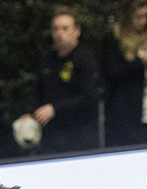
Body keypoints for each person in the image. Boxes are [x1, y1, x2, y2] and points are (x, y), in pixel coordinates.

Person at [17, 5, 100, 153]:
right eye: (55, 29)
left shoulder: (85, 59)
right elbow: (38, 91)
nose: (59, 33)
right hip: (51, 136)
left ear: (77, 31)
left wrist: (55, 109)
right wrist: (29, 112)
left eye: (65, 28)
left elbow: (89, 97)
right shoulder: (47, 60)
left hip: (80, 136)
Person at [103, 0, 147, 147]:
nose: (143, 21)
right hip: (126, 106)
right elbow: (111, 71)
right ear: (128, 17)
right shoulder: (115, 37)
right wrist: (139, 62)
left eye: (145, 16)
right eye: (138, 17)